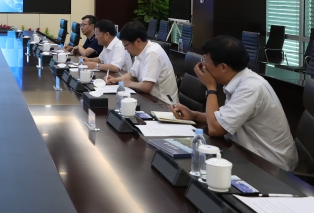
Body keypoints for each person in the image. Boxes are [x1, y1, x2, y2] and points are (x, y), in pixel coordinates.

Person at [171, 36, 298, 171]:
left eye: (205, 62)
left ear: (223, 67)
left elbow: (215, 129)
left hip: (269, 166)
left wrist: (211, 87)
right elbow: (221, 120)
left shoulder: (250, 88)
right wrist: (194, 115)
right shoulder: (240, 81)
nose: (203, 67)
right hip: (248, 154)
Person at [106, 21, 178, 105]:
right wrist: (116, 80)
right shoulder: (140, 51)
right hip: (150, 99)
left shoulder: (153, 53)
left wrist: (129, 83)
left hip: (164, 105)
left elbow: (146, 87)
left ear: (138, 41)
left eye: (126, 45)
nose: (125, 49)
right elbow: (132, 74)